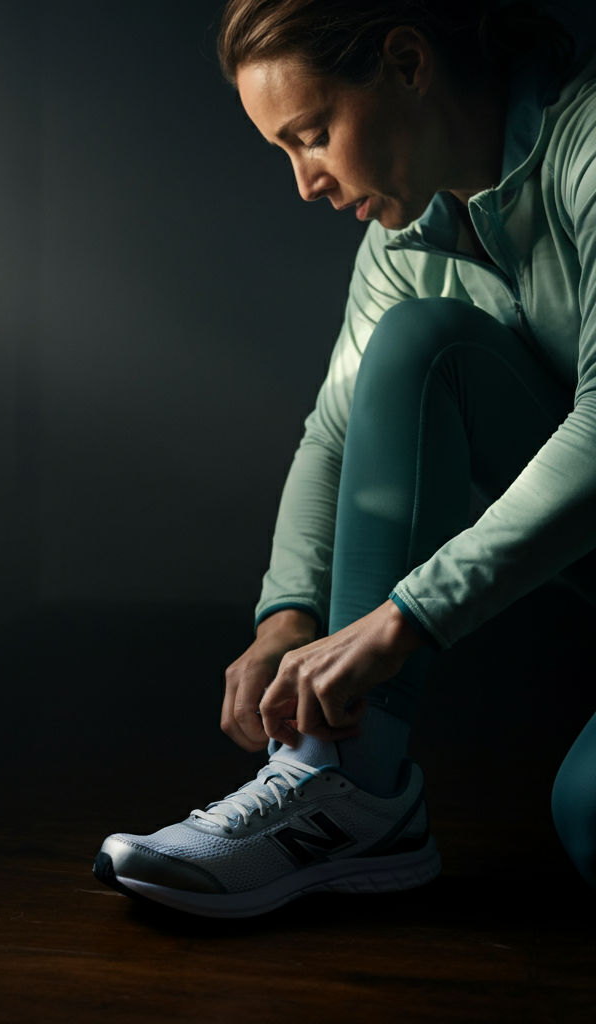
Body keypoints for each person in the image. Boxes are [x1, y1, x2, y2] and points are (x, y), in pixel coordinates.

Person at [93, 0, 596, 918]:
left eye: (313, 135)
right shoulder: (405, 238)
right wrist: (287, 615)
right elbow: (335, 433)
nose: (305, 183)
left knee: (591, 817)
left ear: (408, 63)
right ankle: (352, 783)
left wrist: (406, 616)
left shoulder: (588, 145)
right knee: (417, 342)